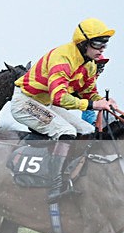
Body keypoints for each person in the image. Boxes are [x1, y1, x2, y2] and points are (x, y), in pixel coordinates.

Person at [10, 17, 117, 202]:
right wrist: (92, 105)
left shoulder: (90, 65)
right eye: (98, 44)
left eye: (105, 44)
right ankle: (55, 185)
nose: (102, 49)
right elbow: (59, 97)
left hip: (44, 103)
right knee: (66, 131)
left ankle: (72, 174)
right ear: (83, 43)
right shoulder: (63, 59)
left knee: (88, 130)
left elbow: (89, 93)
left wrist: (104, 101)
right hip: (25, 102)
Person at [81, 56, 108, 125]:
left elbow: (92, 94)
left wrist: (102, 100)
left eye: (101, 69)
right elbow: (88, 97)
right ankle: (90, 125)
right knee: (88, 104)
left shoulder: (91, 81)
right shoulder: (82, 77)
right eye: (98, 68)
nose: (99, 72)